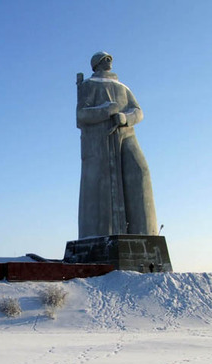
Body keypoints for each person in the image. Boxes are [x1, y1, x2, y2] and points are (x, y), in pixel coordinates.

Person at [77, 51, 158, 238]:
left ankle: (146, 235)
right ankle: (100, 234)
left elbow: (138, 111)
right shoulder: (88, 85)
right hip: (100, 140)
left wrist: (125, 117)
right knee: (104, 185)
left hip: (126, 135)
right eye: (105, 59)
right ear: (96, 65)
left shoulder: (123, 87)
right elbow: (81, 115)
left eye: (110, 59)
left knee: (140, 171)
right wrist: (106, 111)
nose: (109, 62)